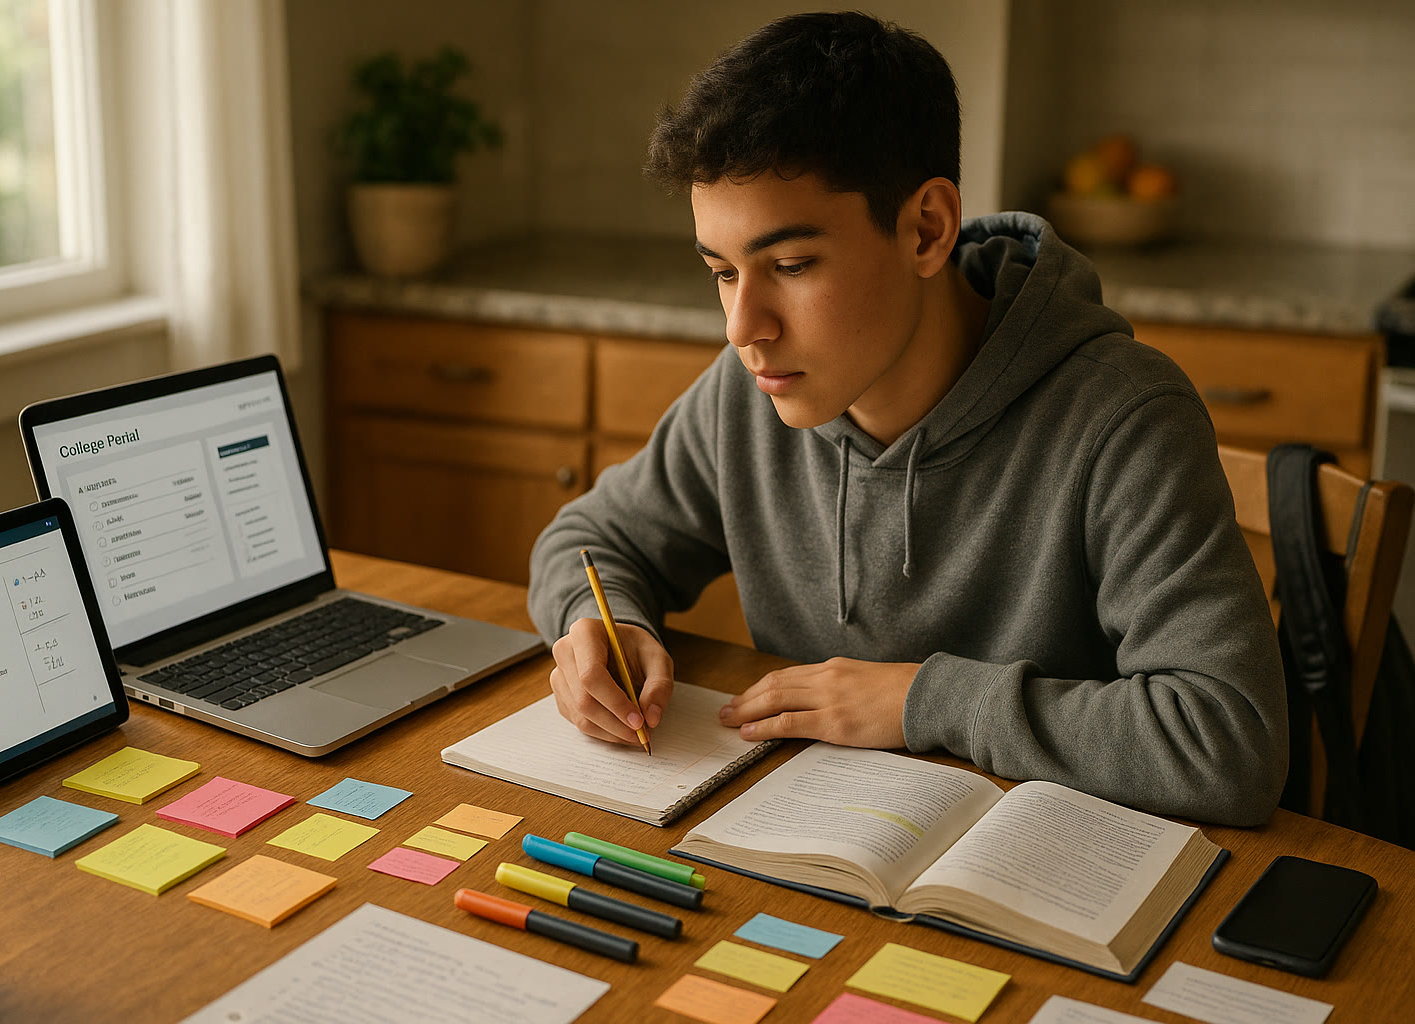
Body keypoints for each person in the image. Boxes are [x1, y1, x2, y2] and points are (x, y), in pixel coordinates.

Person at [526, 11, 1288, 826]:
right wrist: (599, 626)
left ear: (927, 229)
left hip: (1051, 873)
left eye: (790, 265)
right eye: (722, 272)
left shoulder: (1124, 417)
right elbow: (590, 542)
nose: (743, 327)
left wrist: (925, 698)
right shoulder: (745, 391)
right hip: (820, 840)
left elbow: (1228, 742)